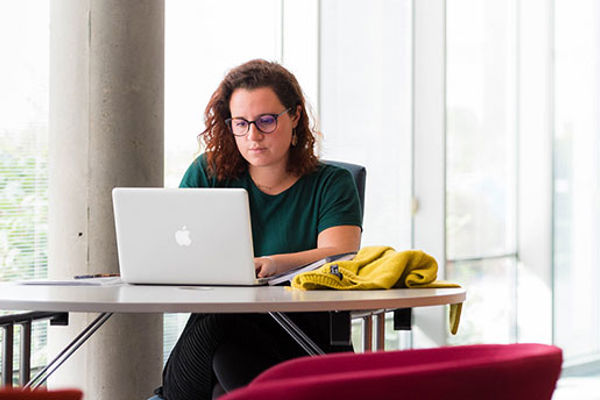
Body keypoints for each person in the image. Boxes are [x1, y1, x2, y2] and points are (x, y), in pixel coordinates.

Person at [158, 59, 362, 400]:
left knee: (229, 352)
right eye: (241, 123)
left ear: (295, 116)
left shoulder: (331, 184)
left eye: (266, 121)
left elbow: (341, 252)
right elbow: (174, 251)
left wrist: (275, 263)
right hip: (210, 340)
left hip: (304, 340)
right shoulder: (208, 174)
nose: (253, 136)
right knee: (231, 321)